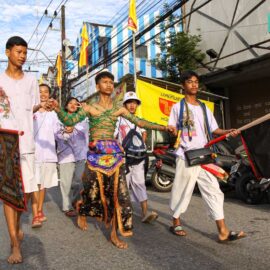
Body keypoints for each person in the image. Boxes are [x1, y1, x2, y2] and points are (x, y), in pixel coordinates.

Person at [52, 70, 174, 249]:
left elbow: (139, 122)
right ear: (97, 86)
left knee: (119, 196)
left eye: (111, 82)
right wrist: (56, 108)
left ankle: (114, 234)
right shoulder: (89, 107)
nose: (109, 85)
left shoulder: (119, 108)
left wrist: (164, 127)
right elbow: (69, 120)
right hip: (95, 156)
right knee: (91, 191)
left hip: (115, 155)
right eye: (105, 82)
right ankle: (82, 212)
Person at [168, 70, 246, 242]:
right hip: (186, 155)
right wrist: (173, 130)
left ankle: (223, 231)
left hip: (204, 155)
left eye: (196, 81)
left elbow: (214, 130)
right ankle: (176, 221)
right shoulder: (177, 107)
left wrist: (227, 132)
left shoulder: (204, 107)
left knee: (214, 191)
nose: (194, 84)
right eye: (190, 81)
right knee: (182, 190)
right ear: (183, 85)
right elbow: (172, 127)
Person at [0, 36, 44, 264]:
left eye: (25, 52)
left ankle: (17, 227)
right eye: (19, 51)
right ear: (8, 52)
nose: (23, 56)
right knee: (9, 196)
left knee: (24, 193)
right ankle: (15, 244)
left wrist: (44, 105)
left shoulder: (31, 81)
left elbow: (32, 107)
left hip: (28, 145)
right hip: (5, 144)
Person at [115, 91, 158, 223]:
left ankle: (145, 213)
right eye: (129, 102)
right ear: (125, 105)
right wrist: (119, 146)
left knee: (140, 184)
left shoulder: (138, 120)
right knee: (123, 186)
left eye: (135, 103)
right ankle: (121, 213)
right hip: (123, 158)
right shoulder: (119, 119)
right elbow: (113, 136)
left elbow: (144, 132)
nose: (132, 105)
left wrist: (142, 143)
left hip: (138, 158)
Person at [56, 97, 88, 217]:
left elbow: (83, 131)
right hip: (65, 155)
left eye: (76, 104)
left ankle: (76, 203)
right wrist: (65, 132)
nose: (73, 105)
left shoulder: (83, 119)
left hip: (80, 155)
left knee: (78, 181)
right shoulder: (59, 119)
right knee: (65, 183)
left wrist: (84, 110)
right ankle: (66, 206)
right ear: (66, 105)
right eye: (70, 103)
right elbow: (58, 135)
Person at [34, 83, 59, 226]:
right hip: (33, 152)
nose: (43, 94)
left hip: (48, 154)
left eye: (45, 92)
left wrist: (66, 131)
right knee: (35, 182)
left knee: (43, 183)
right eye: (40, 92)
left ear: (49, 95)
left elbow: (58, 133)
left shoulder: (53, 114)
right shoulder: (31, 112)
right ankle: (36, 211)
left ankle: (39, 209)